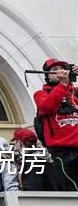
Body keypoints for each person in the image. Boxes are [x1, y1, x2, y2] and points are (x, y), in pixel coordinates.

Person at [33, 58, 78, 191]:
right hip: (61, 152)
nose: (60, 71)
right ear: (47, 75)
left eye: (62, 68)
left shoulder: (75, 92)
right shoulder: (41, 94)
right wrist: (63, 85)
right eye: (54, 70)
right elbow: (47, 107)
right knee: (70, 189)